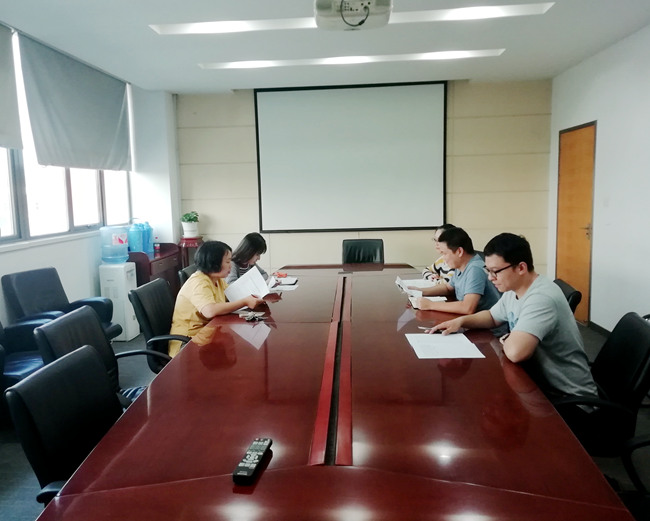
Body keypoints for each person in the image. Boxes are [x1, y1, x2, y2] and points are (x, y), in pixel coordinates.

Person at [431, 232, 598, 403]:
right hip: (537, 384)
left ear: (521, 268)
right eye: (488, 270)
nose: (490, 277)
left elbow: (516, 353)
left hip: (566, 398)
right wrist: (461, 321)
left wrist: (509, 339)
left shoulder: (541, 298)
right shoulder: (514, 290)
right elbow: (492, 316)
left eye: (495, 271)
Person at [169, 241, 264, 357]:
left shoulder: (217, 280)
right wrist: (244, 301)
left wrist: (256, 295)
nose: (230, 265)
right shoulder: (198, 282)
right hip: (188, 343)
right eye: (227, 261)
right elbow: (210, 310)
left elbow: (234, 295)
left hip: (207, 334)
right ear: (214, 262)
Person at [413, 227, 501, 315]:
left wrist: (430, 305)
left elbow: (467, 308)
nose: (443, 258)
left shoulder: (475, 269)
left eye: (445, 253)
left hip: (488, 323)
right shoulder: (461, 265)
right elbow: (448, 288)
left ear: (459, 251)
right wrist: (419, 291)